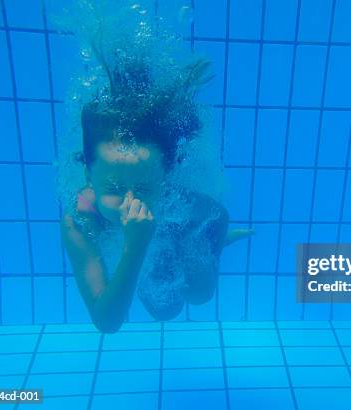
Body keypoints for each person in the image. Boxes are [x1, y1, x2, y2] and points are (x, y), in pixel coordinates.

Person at [60, 53, 252, 333]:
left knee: (199, 295)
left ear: (164, 178)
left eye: (143, 188)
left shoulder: (179, 201)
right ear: (89, 174)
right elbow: (106, 320)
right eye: (113, 188)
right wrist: (136, 246)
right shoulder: (79, 220)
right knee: (164, 310)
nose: (130, 202)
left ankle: (213, 245)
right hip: (140, 245)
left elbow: (218, 215)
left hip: (180, 231)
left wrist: (210, 244)